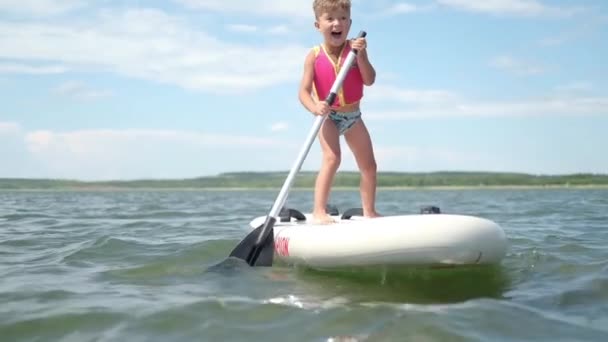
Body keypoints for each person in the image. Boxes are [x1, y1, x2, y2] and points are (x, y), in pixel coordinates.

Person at [298, 0, 380, 224]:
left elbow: (369, 80)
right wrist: (315, 107)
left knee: (369, 165)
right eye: (330, 19)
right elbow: (303, 93)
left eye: (343, 19)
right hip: (328, 117)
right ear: (318, 25)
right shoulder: (313, 56)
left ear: (350, 23)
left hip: (353, 116)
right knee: (332, 158)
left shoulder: (355, 50)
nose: (337, 23)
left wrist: (361, 56)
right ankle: (319, 211)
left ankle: (369, 211)